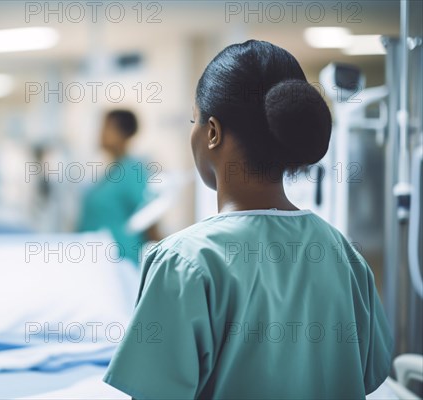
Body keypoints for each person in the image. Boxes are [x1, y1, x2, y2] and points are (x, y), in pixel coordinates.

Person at [103, 40, 393, 399]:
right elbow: (369, 376)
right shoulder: (344, 255)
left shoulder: (184, 262)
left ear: (212, 132)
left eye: (194, 121)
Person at [78, 110, 159, 265]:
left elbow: (149, 219)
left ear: (123, 134)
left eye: (107, 127)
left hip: (121, 263)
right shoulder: (110, 172)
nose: (100, 133)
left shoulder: (133, 171)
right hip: (96, 261)